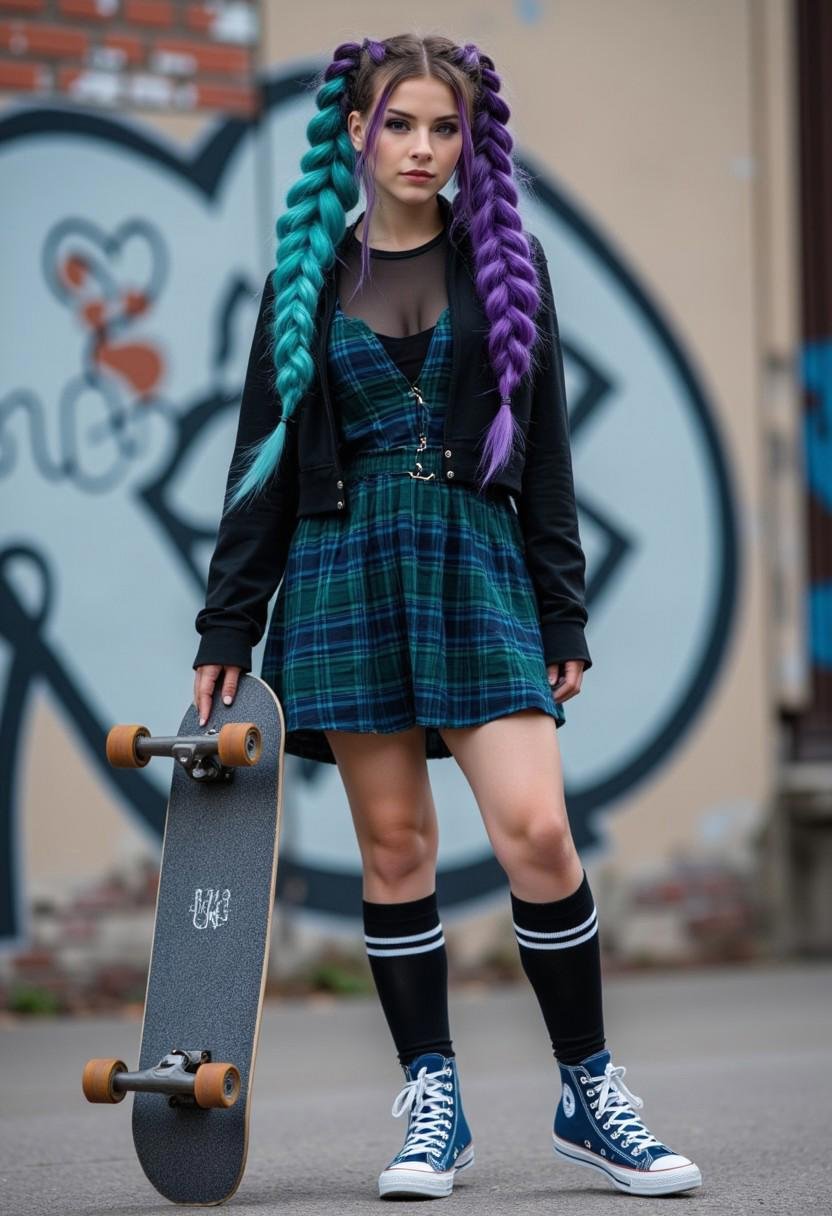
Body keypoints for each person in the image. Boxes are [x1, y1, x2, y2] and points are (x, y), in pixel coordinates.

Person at [192, 32, 702, 1202]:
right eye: (400, 124)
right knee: (396, 849)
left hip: (475, 570)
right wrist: (229, 625)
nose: (422, 148)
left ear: (471, 140)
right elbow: (258, 467)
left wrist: (561, 610)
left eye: (444, 127)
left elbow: (553, 460)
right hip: (341, 571)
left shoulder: (506, 266)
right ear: (356, 133)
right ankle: (434, 1102)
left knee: (537, 835)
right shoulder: (305, 279)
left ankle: (590, 1090)